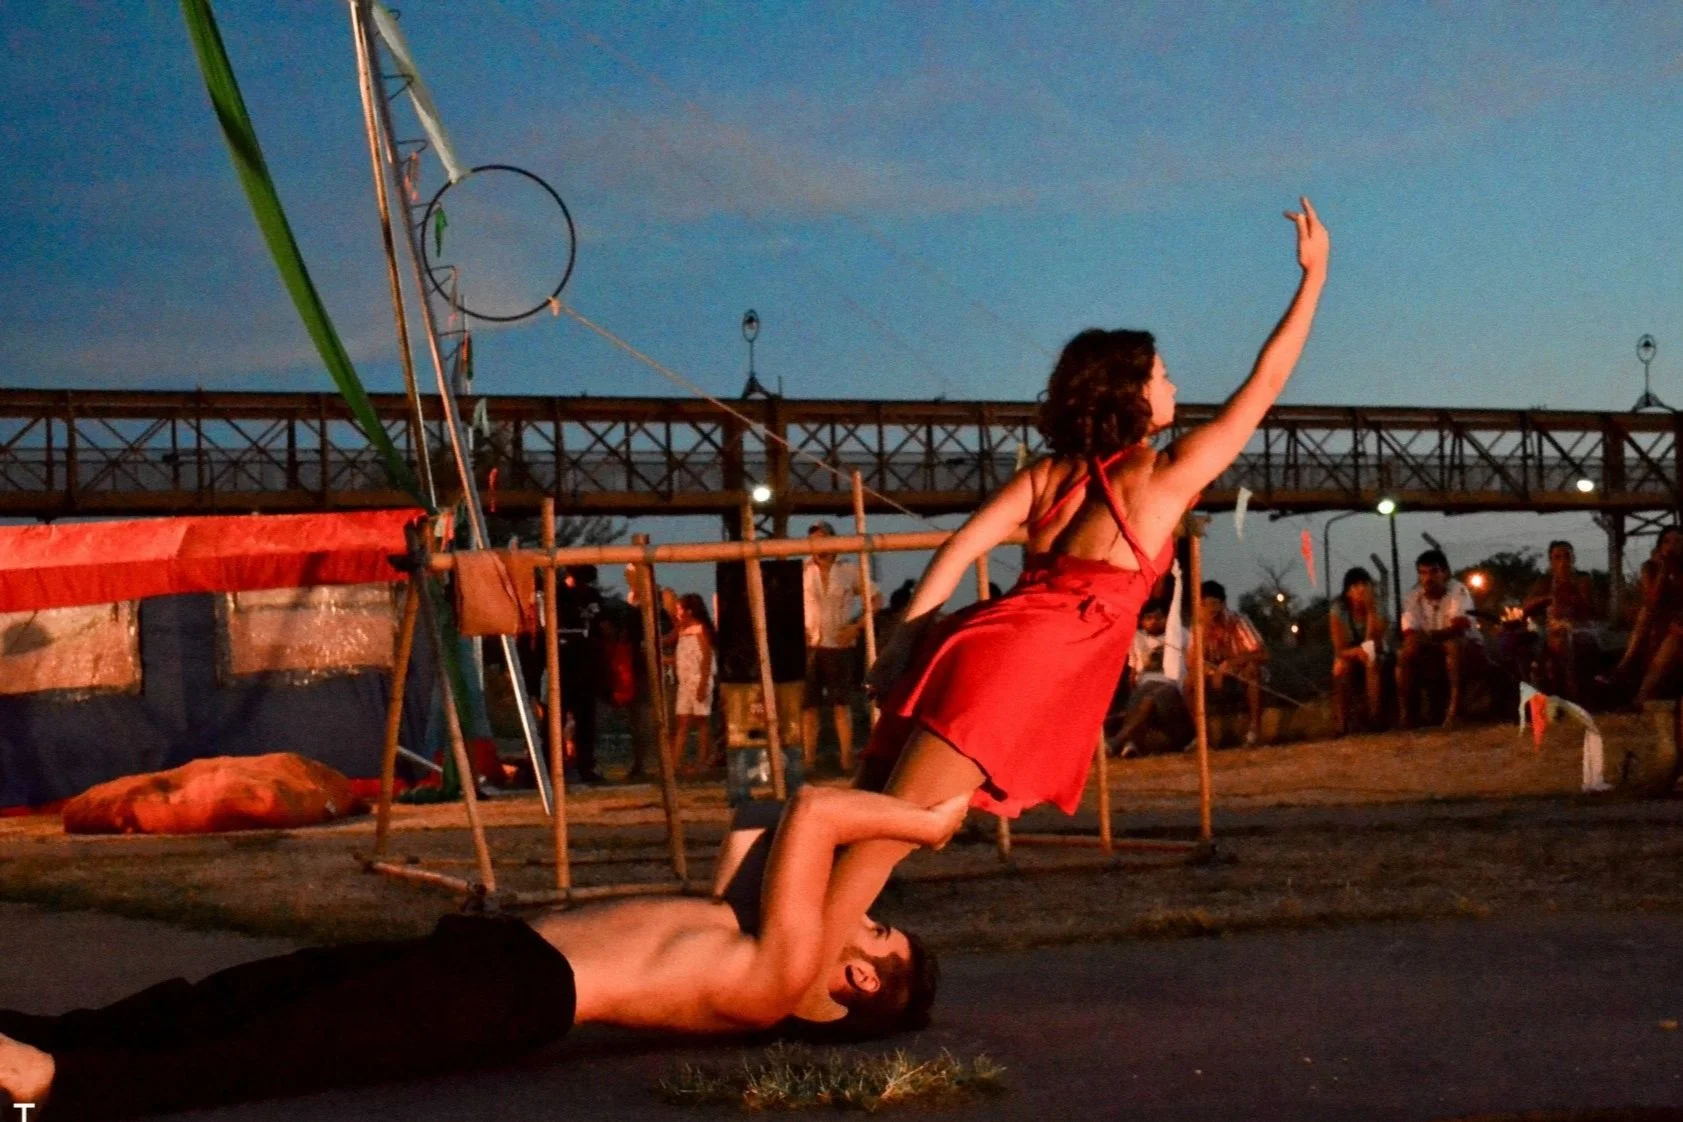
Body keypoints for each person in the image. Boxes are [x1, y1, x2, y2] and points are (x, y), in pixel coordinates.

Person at [799, 197, 1328, 1023]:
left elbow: (959, 549)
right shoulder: (1158, 477)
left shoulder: (1048, 477)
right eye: (1161, 374)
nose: (1174, 384)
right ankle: (798, 994)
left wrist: (905, 641)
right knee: (884, 841)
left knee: (876, 823)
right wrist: (1314, 280)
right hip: (1020, 670)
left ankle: (788, 959)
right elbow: (1265, 382)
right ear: (1130, 393)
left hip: (973, 641)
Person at [0, 785, 957, 1120]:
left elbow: (818, 813)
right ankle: (46, 1035)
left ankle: (50, 1085)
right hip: (493, 961)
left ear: (859, 977)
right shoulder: (745, 938)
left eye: (873, 924)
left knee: (281, 1046)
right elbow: (762, 819)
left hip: (514, 996)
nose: (857, 910)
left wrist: (924, 822)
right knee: (245, 993)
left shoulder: (780, 975)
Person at [1395, 549, 1482, 729]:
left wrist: (1428, 636)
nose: (1428, 578)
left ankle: (1454, 711)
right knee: (1405, 653)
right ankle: (1407, 716)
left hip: (1466, 648)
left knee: (1453, 646)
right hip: (1432, 648)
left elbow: (1458, 628)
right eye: (1423, 573)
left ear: (1445, 573)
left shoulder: (1458, 590)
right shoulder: (1413, 596)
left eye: (1434, 571)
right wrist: (1425, 638)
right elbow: (1410, 633)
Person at [802, 521, 864, 771]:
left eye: (823, 539)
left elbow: (875, 598)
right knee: (808, 705)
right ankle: (808, 759)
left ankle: (846, 757)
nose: (819, 546)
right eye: (814, 540)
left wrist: (855, 627)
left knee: (841, 704)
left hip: (839, 644)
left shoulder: (849, 570)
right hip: (811, 644)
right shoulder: (803, 571)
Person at [1607, 526, 1683, 706]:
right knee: (1647, 615)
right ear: (1659, 546)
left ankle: (1639, 694)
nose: (1672, 546)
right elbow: (1652, 601)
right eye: (1667, 541)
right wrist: (1663, 570)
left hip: (1678, 620)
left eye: (1678, 542)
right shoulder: (1650, 567)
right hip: (1659, 618)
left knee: (1675, 635)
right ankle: (1629, 671)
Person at [1107, 599, 1192, 756]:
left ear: (1166, 618)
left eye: (1158, 617)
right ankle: (1130, 743)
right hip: (1145, 682)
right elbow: (1134, 671)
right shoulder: (1137, 638)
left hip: (1171, 683)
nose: (1153, 622)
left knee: (1150, 698)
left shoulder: (1180, 634)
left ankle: (1118, 741)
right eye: (1148, 618)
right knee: (1139, 697)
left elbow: (1191, 661)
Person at [1521, 540, 1597, 703]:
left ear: (1573, 558)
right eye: (1557, 557)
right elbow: (1526, 605)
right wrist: (1548, 598)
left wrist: (1566, 594)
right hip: (1550, 630)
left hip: (1579, 628)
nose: (1563, 561)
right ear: (1551, 562)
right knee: (1538, 641)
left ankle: (1570, 696)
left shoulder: (1582, 579)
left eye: (1566, 556)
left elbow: (1587, 610)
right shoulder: (1545, 582)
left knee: (1562, 639)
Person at [1197, 580, 1269, 746]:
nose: (1210, 609)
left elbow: (1262, 653)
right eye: (1205, 605)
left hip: (1240, 672)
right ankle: (1203, 736)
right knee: (1189, 683)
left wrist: (1228, 665)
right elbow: (1192, 660)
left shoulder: (1238, 621)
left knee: (1252, 672)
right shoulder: (1199, 625)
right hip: (1214, 676)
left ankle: (1254, 731)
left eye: (1214, 604)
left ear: (1223, 604)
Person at [1329, 566, 1388, 735]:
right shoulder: (1338, 609)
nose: (1361, 589)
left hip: (1376, 650)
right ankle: (1341, 723)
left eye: (1364, 584)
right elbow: (1339, 648)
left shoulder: (1379, 606)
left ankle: (1375, 718)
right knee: (1340, 668)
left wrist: (1370, 612)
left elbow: (1375, 641)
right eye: (1355, 586)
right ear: (1347, 592)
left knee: (1371, 662)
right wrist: (1356, 652)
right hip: (1350, 651)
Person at [559, 565, 604, 783]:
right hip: (563, 661)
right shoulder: (558, 594)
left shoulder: (592, 596)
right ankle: (554, 765)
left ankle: (586, 765)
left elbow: (601, 621)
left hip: (586, 663)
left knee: (586, 718)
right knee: (556, 715)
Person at [669, 592, 717, 777]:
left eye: (680, 608)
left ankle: (702, 761)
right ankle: (674, 764)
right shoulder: (681, 630)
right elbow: (671, 643)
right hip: (685, 681)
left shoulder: (700, 629)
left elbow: (706, 656)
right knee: (682, 721)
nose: (677, 611)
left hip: (698, 679)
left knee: (701, 721)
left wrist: (704, 683)